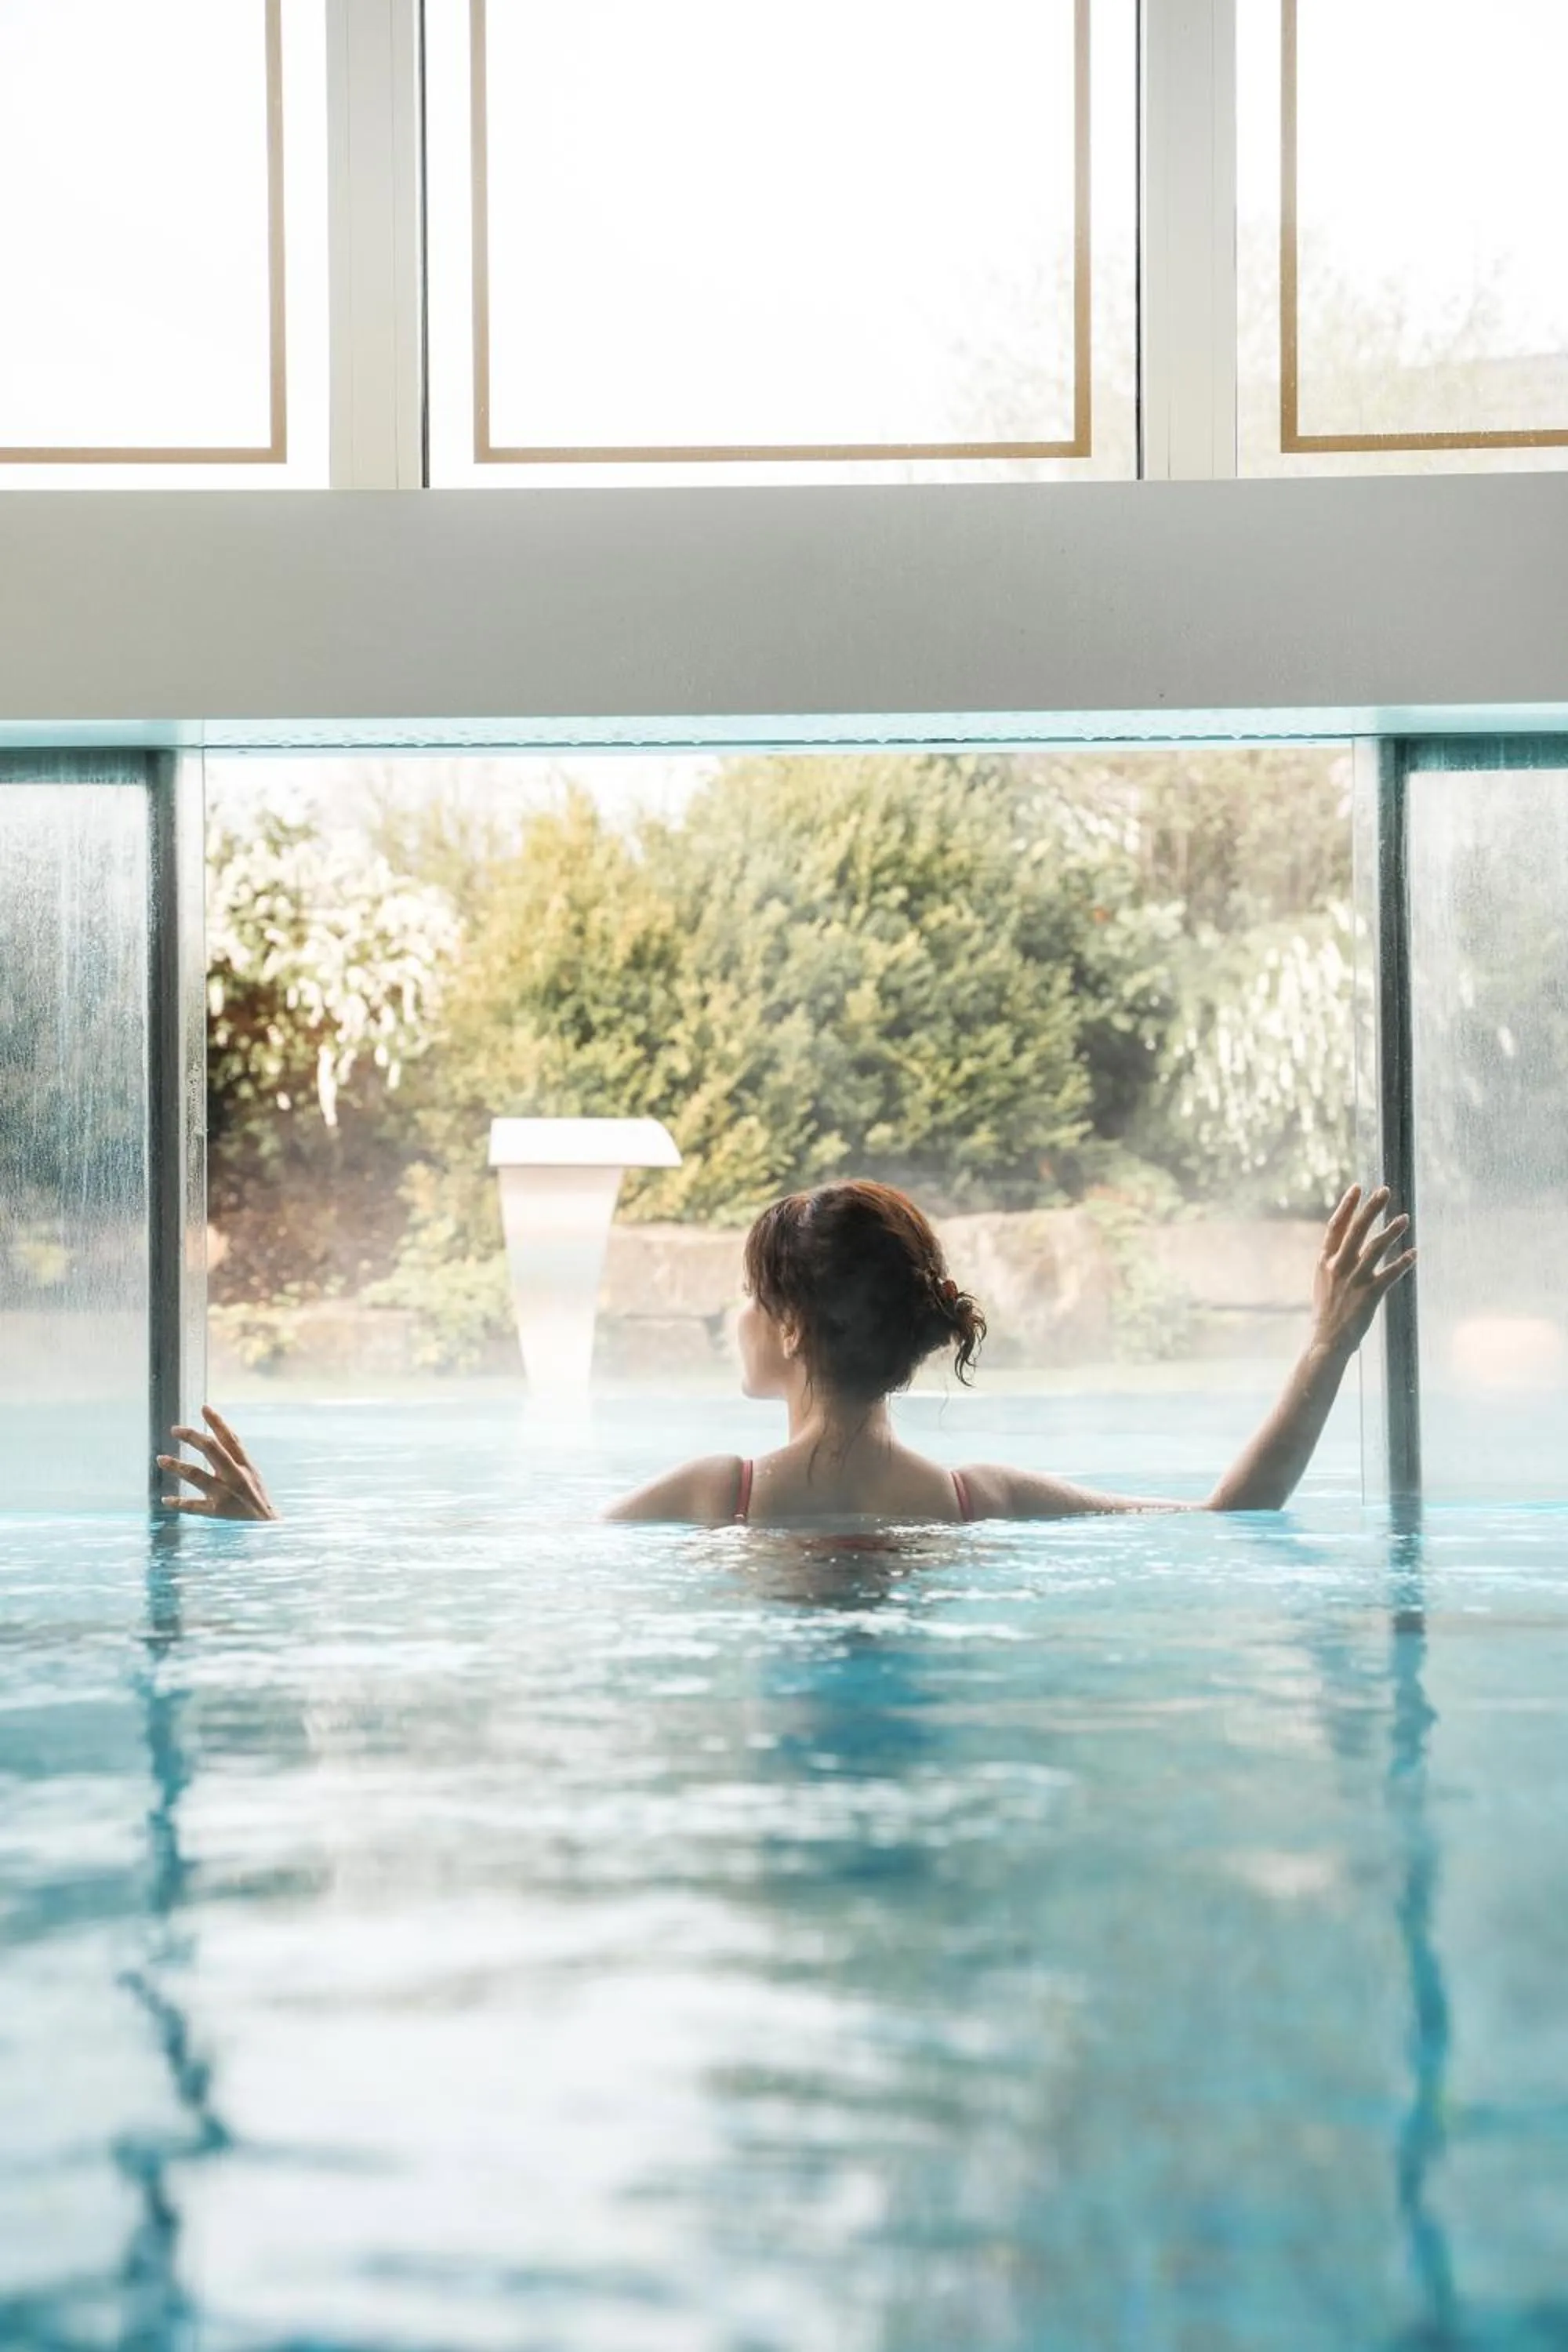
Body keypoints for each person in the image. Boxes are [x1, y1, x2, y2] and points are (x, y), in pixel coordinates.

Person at [159, 1178, 1413, 1528]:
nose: (735, 1322)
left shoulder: (718, 1496)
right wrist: (1324, 1351)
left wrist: (270, 1538)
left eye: (751, 1300)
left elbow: (494, 1578)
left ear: (797, 1327)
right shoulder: (987, 1506)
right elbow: (1223, 1522)